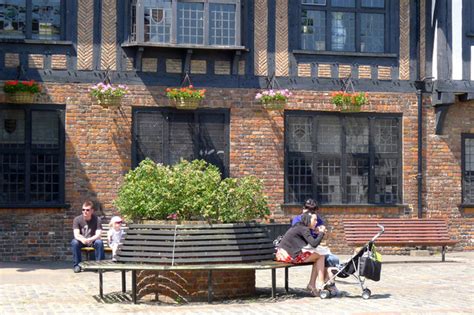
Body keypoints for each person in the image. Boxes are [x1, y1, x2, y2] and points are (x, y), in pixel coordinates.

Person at [292, 198, 341, 296]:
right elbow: (301, 236)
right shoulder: (298, 220)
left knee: (333, 259)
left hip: (314, 248)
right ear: (304, 209)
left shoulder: (317, 219)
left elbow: (322, 236)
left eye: (313, 211)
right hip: (304, 249)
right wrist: (316, 232)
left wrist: (321, 232)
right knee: (329, 258)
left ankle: (325, 283)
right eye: (309, 210)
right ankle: (326, 284)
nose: (311, 213)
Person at [275, 212, 327, 296]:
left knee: (317, 257)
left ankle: (312, 285)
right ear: (308, 220)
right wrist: (321, 233)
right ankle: (321, 284)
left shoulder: (300, 226)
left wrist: (317, 233)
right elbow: (314, 244)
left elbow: (310, 243)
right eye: (315, 220)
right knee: (320, 256)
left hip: (283, 254)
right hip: (288, 256)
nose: (316, 222)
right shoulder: (303, 229)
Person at [71, 200, 105, 273]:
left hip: (92, 240)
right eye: (83, 209)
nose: (85, 211)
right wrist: (82, 239)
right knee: (74, 242)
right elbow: (76, 234)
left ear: (92, 211)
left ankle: (99, 265)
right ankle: (77, 265)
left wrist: (90, 239)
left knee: (99, 242)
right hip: (82, 241)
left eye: (87, 210)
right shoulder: (77, 219)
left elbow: (98, 234)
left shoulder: (97, 219)